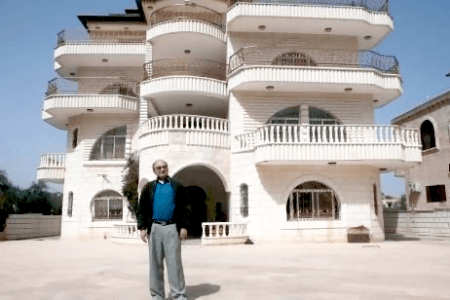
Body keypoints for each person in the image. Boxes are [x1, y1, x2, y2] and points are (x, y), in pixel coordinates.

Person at [137, 159, 189, 300]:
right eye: (158, 167)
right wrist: (142, 227)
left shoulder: (177, 186)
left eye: (164, 167)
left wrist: (183, 226)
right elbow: (142, 209)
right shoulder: (149, 187)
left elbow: (185, 208)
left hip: (172, 228)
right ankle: (157, 295)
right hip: (154, 228)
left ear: (167, 168)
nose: (162, 169)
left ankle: (178, 294)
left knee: (175, 263)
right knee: (155, 264)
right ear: (154, 170)